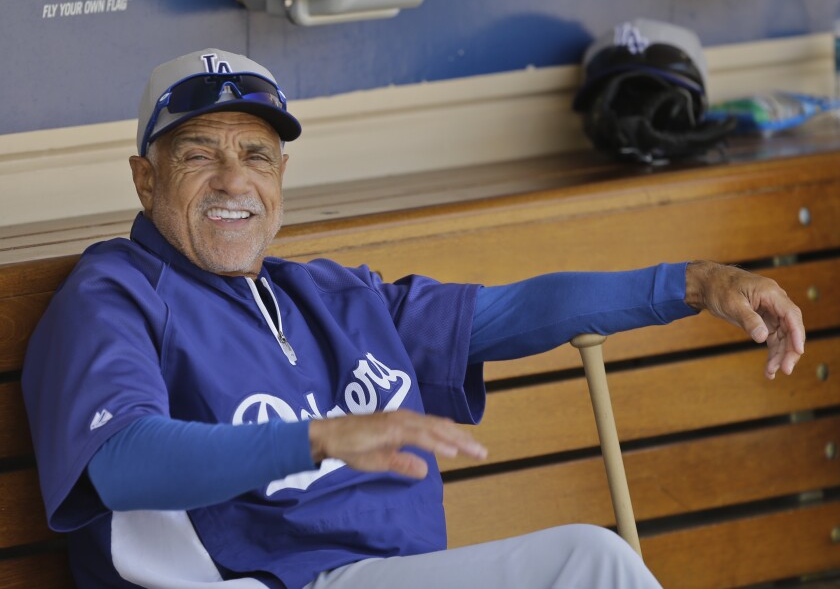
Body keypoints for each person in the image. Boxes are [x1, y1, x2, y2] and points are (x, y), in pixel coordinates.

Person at [21, 49, 805, 589]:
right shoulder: (115, 294)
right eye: (197, 154)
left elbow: (513, 311)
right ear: (144, 177)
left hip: (379, 577)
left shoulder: (330, 296)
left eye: (256, 156)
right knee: (588, 566)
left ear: (282, 177)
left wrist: (694, 283)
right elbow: (120, 461)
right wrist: (320, 438)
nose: (234, 179)